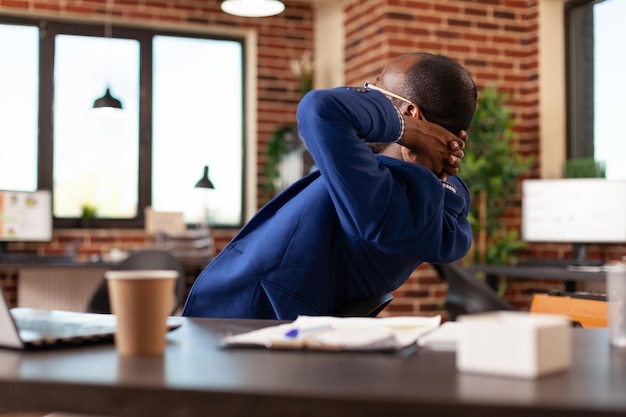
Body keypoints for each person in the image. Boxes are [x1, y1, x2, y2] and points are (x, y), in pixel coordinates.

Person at [183, 52, 477, 320]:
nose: (366, 95)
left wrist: (402, 128)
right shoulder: (439, 196)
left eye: (376, 92)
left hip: (242, 327)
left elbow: (320, 108)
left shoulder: (390, 193)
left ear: (410, 114)